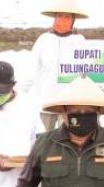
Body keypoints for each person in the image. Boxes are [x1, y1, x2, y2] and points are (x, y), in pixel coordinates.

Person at [27, 0, 88, 131]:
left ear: (73, 20)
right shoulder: (43, 40)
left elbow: (87, 72)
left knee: (68, 139)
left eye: (67, 17)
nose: (63, 19)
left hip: (70, 102)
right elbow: (30, 70)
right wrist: (20, 94)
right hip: (45, 101)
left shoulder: (79, 41)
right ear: (54, 18)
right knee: (43, 139)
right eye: (60, 16)